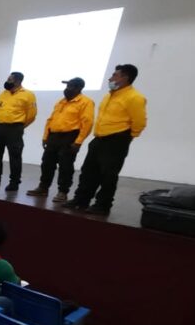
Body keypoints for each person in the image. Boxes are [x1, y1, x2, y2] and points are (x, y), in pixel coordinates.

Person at [64, 64, 147, 216]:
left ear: (125, 78)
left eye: (115, 75)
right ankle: (81, 200)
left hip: (116, 140)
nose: (110, 78)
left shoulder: (135, 97)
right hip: (99, 139)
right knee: (88, 172)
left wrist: (127, 138)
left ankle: (103, 205)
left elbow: (139, 122)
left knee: (108, 175)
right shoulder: (110, 95)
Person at [26, 78, 94, 203]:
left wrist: (78, 141)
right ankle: (43, 188)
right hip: (54, 136)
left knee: (65, 165)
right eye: (67, 86)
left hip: (70, 136)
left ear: (79, 88)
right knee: (47, 163)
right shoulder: (61, 102)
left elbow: (87, 123)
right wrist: (45, 136)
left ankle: (63, 192)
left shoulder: (86, 102)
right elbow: (50, 120)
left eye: (71, 86)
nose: (67, 89)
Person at [0, 72, 36, 192]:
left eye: (10, 79)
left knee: (15, 156)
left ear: (17, 81)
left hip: (15, 128)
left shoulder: (28, 95)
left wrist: (20, 126)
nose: (7, 81)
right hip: (0, 127)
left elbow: (31, 115)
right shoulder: (3, 94)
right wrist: (1, 121)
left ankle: (14, 182)